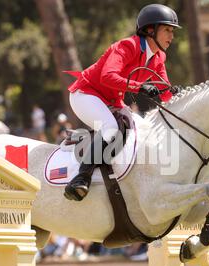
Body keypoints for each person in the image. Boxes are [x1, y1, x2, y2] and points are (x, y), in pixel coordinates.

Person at [64, 4, 182, 201]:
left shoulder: (159, 56)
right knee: (110, 127)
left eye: (172, 31)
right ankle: (81, 178)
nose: (172, 36)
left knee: (139, 128)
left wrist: (177, 94)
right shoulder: (127, 46)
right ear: (150, 30)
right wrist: (139, 87)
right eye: (167, 30)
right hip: (86, 93)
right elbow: (107, 77)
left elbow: (164, 92)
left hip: (112, 100)